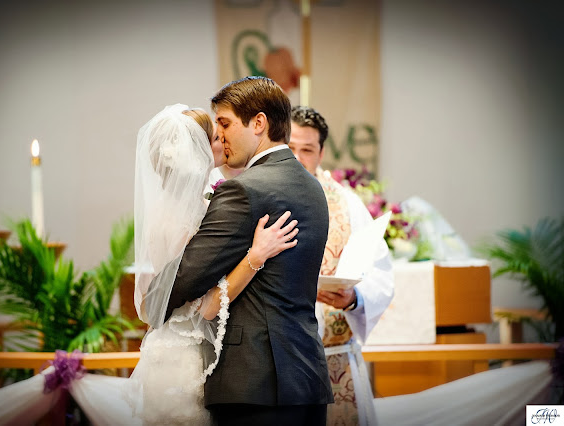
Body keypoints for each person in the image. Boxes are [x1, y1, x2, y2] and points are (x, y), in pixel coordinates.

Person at [165, 77, 333, 426]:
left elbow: (185, 279)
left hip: (254, 385)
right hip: (306, 376)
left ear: (259, 123)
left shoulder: (244, 190)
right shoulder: (313, 187)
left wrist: (150, 298)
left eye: (225, 123)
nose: (220, 135)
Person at [129, 103, 299, 425]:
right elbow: (203, 308)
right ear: (197, 152)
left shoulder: (189, 205)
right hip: (186, 356)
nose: (223, 140)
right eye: (214, 136)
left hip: (184, 347)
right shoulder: (181, 219)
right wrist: (255, 257)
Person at [289, 106, 395, 426]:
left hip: (334, 362)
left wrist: (353, 298)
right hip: (278, 365)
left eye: (306, 150)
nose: (296, 158)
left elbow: (381, 274)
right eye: (289, 148)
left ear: (321, 153)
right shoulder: (257, 196)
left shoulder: (346, 204)